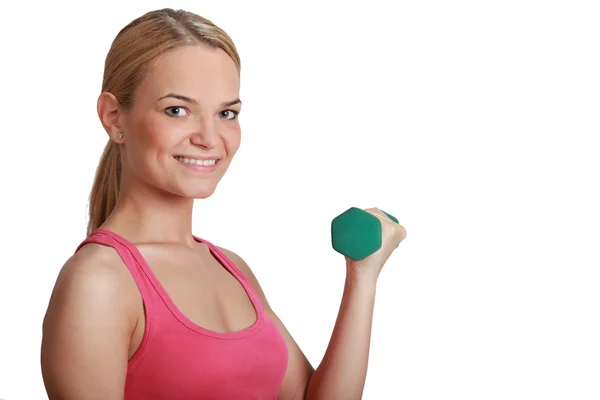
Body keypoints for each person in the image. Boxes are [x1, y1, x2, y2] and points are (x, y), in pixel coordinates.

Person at [40, 8, 406, 400]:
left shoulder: (232, 268)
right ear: (114, 117)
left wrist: (362, 275)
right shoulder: (98, 282)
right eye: (177, 110)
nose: (210, 138)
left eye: (226, 113)